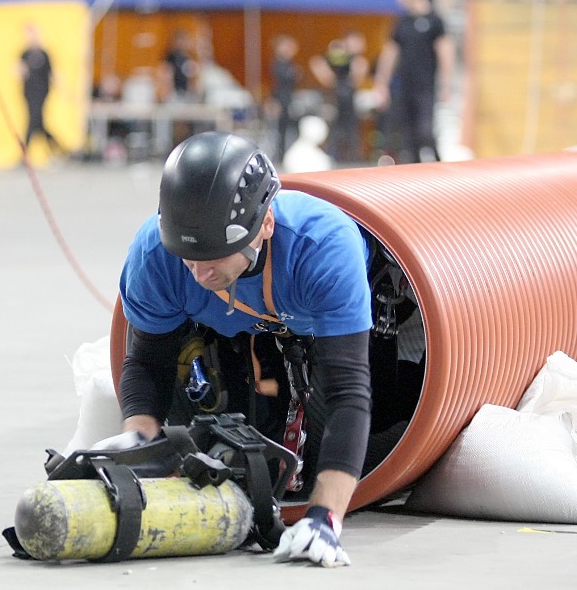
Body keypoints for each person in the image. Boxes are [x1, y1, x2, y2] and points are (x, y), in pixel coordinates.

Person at [100, 131, 373, 567]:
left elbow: (349, 392)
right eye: (189, 258)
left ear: (264, 226)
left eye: (213, 257)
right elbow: (146, 363)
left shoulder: (322, 247)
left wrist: (325, 517)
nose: (199, 272)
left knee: (347, 430)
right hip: (228, 330)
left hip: (325, 322)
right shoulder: (157, 253)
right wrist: (141, 445)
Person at [373, 0, 454, 163]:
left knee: (425, 130)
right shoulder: (403, 22)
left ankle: (437, 162)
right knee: (407, 134)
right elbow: (390, 53)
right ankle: (415, 168)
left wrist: (446, 85)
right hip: (405, 85)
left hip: (425, 86)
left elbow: (445, 53)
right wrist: (381, 83)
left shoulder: (434, 21)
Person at [309, 31, 370, 163]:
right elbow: (318, 62)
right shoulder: (339, 54)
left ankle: (353, 157)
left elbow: (357, 78)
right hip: (336, 96)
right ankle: (332, 156)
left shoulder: (356, 60)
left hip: (349, 97)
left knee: (351, 129)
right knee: (335, 129)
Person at [18, 23, 62, 156]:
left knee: (33, 120)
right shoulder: (24, 54)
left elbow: (51, 73)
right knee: (38, 123)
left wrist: (62, 89)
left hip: (41, 91)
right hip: (29, 92)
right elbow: (19, 72)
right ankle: (58, 147)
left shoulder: (44, 54)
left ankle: (24, 153)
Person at [268, 34, 301, 161]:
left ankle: (288, 154)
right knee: (280, 130)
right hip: (281, 99)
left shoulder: (289, 63)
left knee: (290, 128)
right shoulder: (277, 63)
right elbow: (279, 83)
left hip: (288, 98)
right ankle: (280, 156)